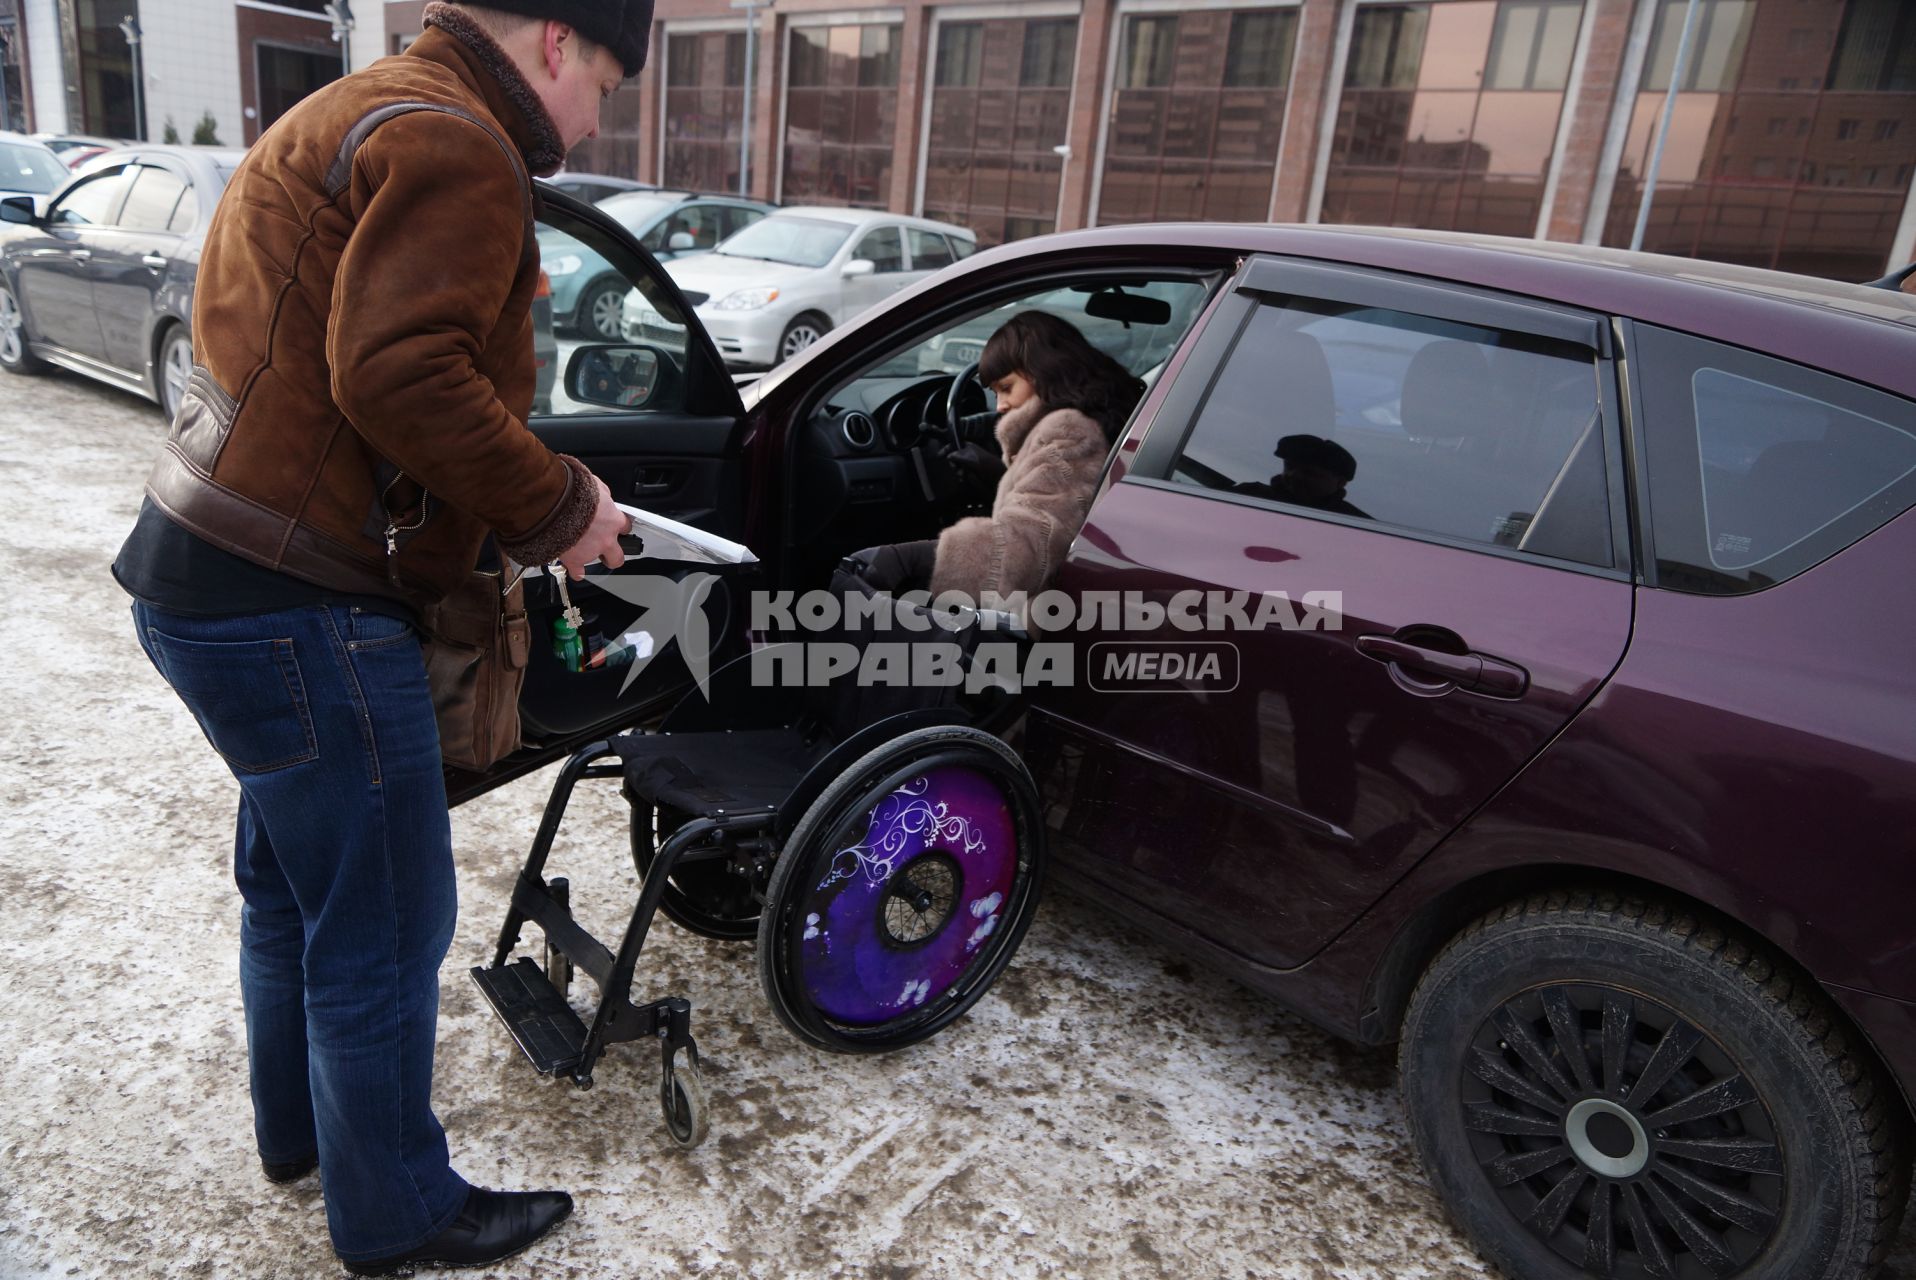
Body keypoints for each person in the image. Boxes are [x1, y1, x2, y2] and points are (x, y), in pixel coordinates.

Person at [110, 2, 649, 1274]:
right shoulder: (463, 143)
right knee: (390, 920)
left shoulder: (354, 106)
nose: (592, 120)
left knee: (295, 888)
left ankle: (299, 1134)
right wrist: (563, 505)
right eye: (607, 88)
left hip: (202, 561)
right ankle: (397, 1205)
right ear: (558, 44)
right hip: (297, 598)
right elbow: (403, 373)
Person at [858, 311, 1144, 601]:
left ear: (1045, 371)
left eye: (1006, 388)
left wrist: (913, 558)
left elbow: (1032, 549)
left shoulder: (1069, 431)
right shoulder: (1095, 422)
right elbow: (1066, 506)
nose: (999, 406)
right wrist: (997, 473)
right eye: (994, 393)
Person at [1230, 433, 1371, 519]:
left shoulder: (1355, 523)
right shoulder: (1247, 495)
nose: (1295, 476)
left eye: (1309, 473)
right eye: (1289, 467)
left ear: (1340, 482)